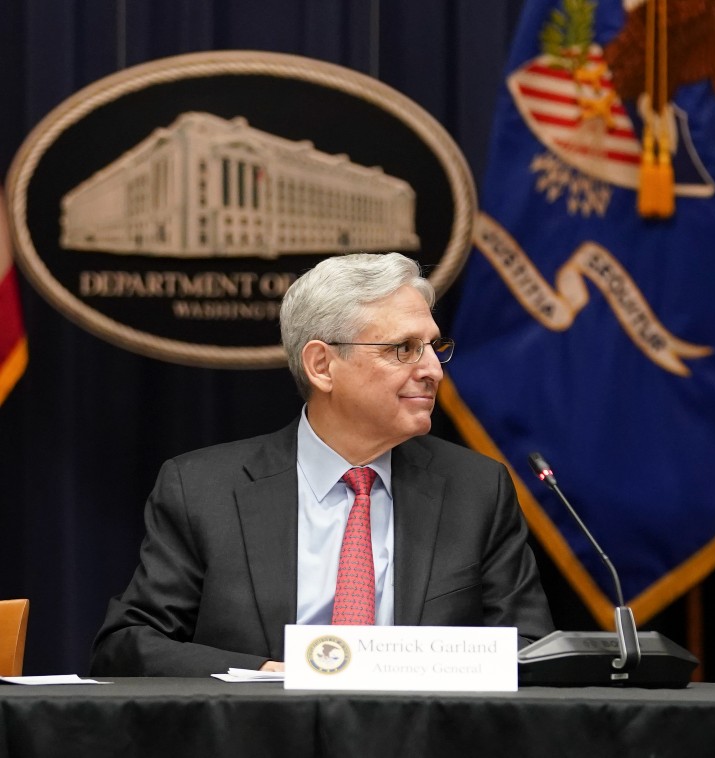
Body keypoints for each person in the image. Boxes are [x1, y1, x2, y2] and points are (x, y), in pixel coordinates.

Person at [91, 253, 554, 676]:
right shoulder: (203, 490)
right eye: (404, 348)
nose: (433, 369)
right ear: (322, 365)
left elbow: (534, 650)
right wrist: (266, 674)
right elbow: (129, 645)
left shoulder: (477, 491)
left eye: (434, 347)